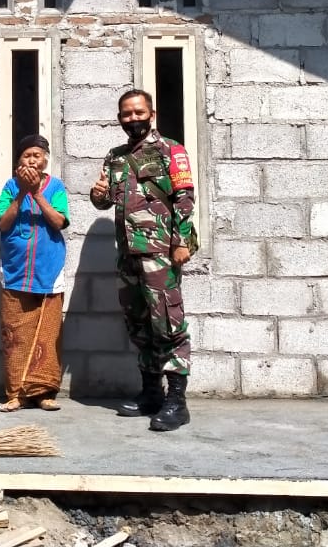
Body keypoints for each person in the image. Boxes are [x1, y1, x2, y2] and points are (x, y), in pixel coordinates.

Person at [89, 89, 196, 432]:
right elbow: (105, 202)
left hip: (160, 254)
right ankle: (151, 393)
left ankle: (177, 403)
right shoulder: (115, 157)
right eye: (125, 114)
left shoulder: (171, 151)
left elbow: (184, 198)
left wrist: (181, 242)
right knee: (139, 325)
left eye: (138, 112)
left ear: (152, 113)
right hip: (128, 257)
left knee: (168, 324)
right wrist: (98, 195)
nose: (132, 118)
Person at [0, 134, 70, 412]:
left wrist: (36, 193)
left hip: (48, 271)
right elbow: (3, 223)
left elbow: (60, 221)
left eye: (37, 155)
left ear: (45, 160)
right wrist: (23, 193)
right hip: (15, 271)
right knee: (15, 334)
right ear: (18, 161)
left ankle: (44, 393)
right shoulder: (10, 187)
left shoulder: (56, 187)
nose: (32, 160)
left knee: (47, 334)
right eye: (27, 156)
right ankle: (16, 394)